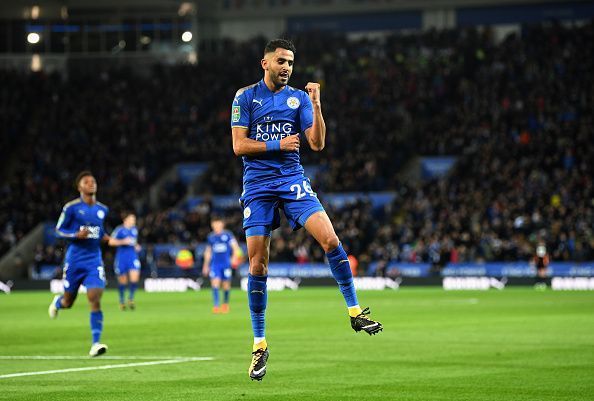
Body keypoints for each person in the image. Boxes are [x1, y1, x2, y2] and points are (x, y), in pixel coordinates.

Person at [231, 39, 383, 381]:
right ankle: (259, 345)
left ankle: (355, 311)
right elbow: (239, 145)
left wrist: (316, 104)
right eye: (281, 61)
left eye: (291, 63)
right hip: (258, 187)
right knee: (258, 263)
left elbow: (316, 143)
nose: (287, 67)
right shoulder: (244, 97)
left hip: (292, 180)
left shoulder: (299, 98)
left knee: (330, 240)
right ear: (265, 63)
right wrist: (277, 144)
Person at [48, 171, 110, 357]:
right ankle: (58, 302)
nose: (91, 183)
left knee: (95, 297)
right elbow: (58, 231)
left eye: (93, 181)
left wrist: (107, 238)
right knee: (69, 302)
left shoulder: (103, 209)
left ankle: (95, 343)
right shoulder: (71, 208)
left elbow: (100, 231)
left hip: (94, 260)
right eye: (86, 181)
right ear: (79, 187)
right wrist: (75, 235)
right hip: (75, 260)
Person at [202, 217, 242, 314]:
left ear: (222, 225)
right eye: (215, 225)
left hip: (226, 264)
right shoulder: (211, 237)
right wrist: (205, 265)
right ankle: (216, 306)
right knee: (215, 283)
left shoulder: (228, 235)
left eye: (218, 225)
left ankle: (225, 304)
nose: (216, 227)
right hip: (215, 265)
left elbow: (236, 248)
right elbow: (208, 252)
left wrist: (233, 258)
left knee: (226, 285)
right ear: (212, 226)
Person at [108, 212, 141, 310]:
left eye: (134, 219)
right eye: (132, 219)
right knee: (123, 281)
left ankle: (130, 298)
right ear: (125, 220)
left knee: (135, 278)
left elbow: (133, 242)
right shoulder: (119, 230)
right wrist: (123, 241)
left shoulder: (135, 230)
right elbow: (110, 242)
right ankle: (122, 301)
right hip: (121, 257)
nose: (134, 221)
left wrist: (136, 246)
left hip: (132, 256)